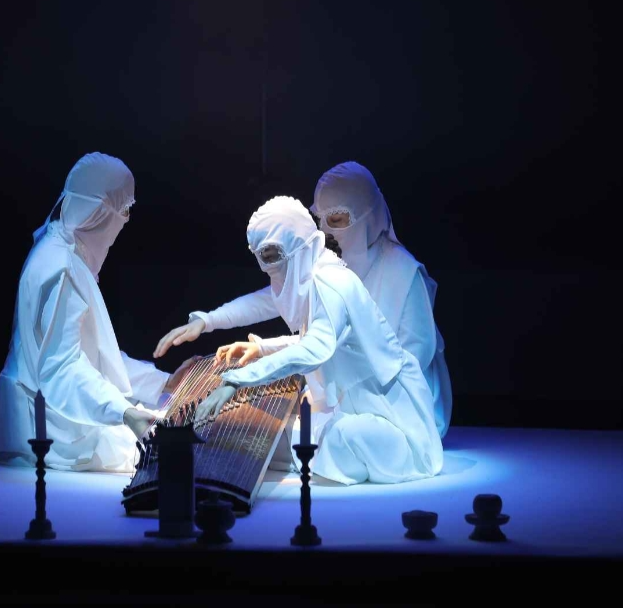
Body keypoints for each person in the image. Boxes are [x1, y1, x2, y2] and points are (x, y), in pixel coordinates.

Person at [154, 161, 452, 439]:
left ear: (366, 213)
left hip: (394, 405)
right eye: (321, 219)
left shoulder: (397, 273)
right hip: (350, 395)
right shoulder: (333, 265)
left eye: (337, 219)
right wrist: (210, 321)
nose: (327, 231)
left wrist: (244, 375)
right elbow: (279, 305)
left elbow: (336, 346)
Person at [194, 196, 443, 485]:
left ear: (296, 244)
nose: (266, 267)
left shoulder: (332, 281)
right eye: (260, 256)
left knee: (337, 436)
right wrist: (259, 346)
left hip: (395, 415)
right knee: (305, 432)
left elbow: (317, 348)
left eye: (271, 255)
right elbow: (314, 336)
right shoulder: (316, 276)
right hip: (360, 403)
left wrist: (238, 380)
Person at [0, 152, 196, 473]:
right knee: (183, 447)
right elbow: (61, 368)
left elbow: (95, 358)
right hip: (52, 430)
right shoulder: (60, 266)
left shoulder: (59, 251)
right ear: (99, 213)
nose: (126, 221)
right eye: (125, 210)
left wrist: (165, 383)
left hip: (55, 416)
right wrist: (124, 413)